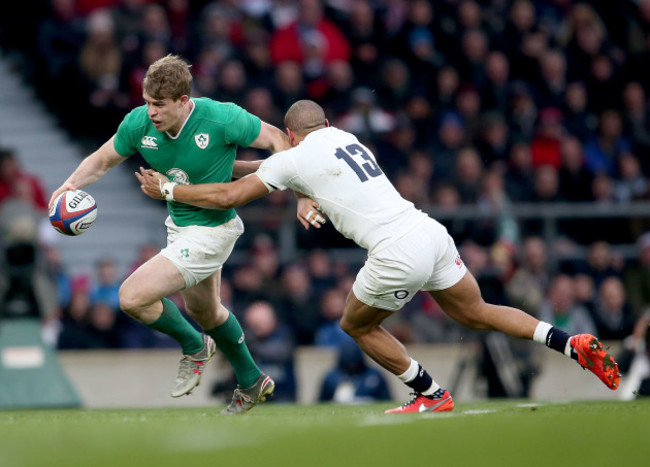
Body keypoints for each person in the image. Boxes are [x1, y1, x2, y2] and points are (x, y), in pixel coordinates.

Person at [137, 100, 620, 414]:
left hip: (395, 251)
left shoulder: (293, 157)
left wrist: (172, 187)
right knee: (476, 311)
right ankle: (566, 341)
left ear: (289, 132)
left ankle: (430, 394)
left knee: (356, 326)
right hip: (428, 231)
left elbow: (227, 197)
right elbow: (270, 166)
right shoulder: (346, 138)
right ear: (324, 124)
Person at [48, 54, 315, 415]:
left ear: (183, 102)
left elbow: (277, 139)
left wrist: (300, 194)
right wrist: (68, 184)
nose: (151, 112)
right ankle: (251, 379)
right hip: (180, 229)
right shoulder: (139, 123)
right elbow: (102, 159)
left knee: (132, 297)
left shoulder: (221, 117)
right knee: (206, 311)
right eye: (146, 102)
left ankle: (194, 347)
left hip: (213, 231)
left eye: (159, 105)